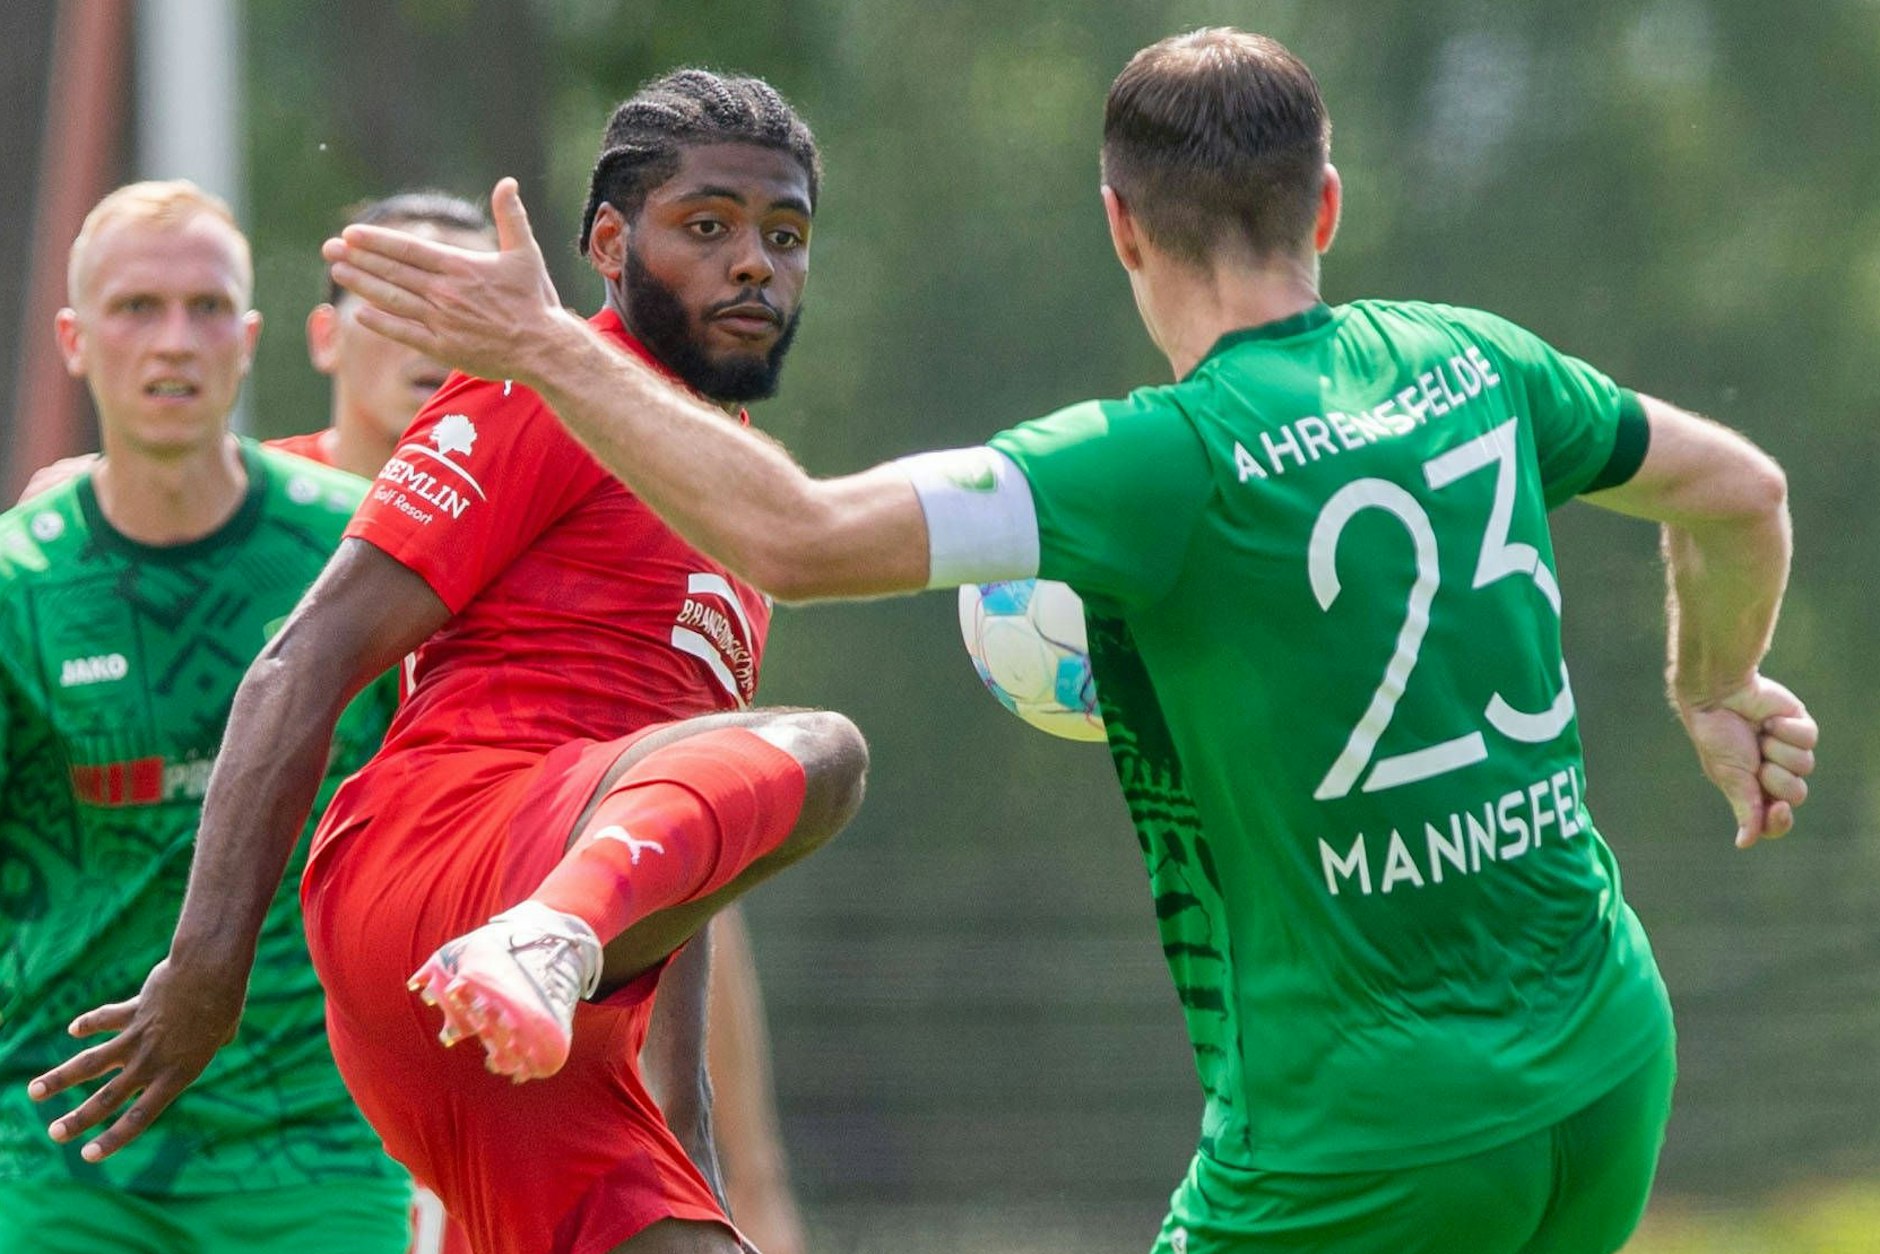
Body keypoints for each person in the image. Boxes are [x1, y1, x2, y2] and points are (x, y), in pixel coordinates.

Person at [316, 29, 1817, 1254]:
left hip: (1363, 1139)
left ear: (1119, 225)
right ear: (1326, 205)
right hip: (1608, 1066)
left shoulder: (1150, 460)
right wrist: (1716, 683)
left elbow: (798, 537)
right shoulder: (1476, 356)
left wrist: (543, 346)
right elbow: (1742, 493)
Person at [32, 73, 864, 1254]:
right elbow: (296, 666)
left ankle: (553, 944)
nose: (752, 265)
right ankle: (546, 932)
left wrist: (687, 1141)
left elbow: (684, 849)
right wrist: (205, 969)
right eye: (707, 225)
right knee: (820, 752)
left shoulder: (732, 500)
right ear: (609, 245)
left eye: (784, 236)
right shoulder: (547, 390)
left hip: (545, 1015)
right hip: (441, 867)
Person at [0, 181, 407, 1252]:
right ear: (74, 341)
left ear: (250, 338)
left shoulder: (361, 554)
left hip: (321, 1152)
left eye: (208, 308)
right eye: (138, 307)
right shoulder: (16, 583)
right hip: (63, 1161)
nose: (174, 341)